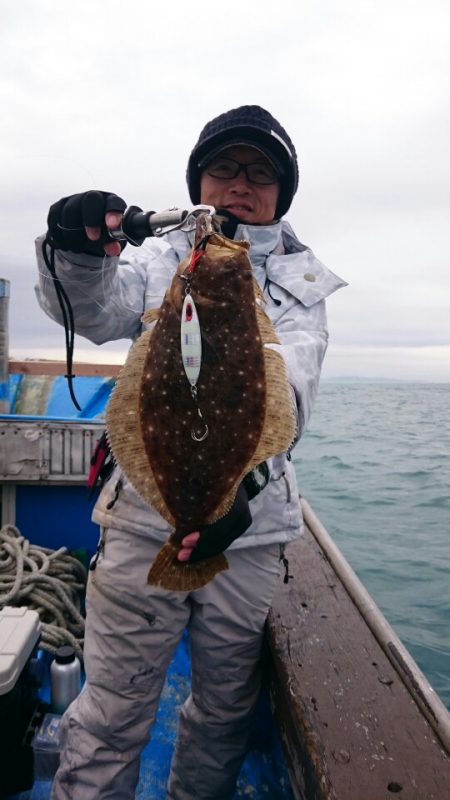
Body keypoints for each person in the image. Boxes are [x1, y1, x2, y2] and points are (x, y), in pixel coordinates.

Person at [35, 105, 346, 800]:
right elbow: (96, 311)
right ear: (198, 181)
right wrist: (75, 251)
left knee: (224, 715)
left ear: (281, 192)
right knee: (110, 713)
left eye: (260, 172)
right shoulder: (161, 257)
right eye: (224, 167)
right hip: (144, 518)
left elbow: (290, 394)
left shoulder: (303, 283)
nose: (240, 184)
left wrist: (246, 487)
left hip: (250, 530)